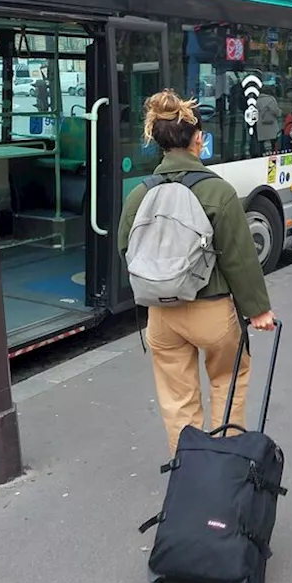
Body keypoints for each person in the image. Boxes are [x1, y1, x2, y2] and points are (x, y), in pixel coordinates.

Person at [118, 90, 277, 456]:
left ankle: (187, 466)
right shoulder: (218, 191)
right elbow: (240, 258)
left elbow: (126, 249)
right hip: (212, 311)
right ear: (197, 140)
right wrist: (259, 310)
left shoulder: (139, 194)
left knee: (177, 398)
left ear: (157, 142)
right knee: (228, 381)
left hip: (161, 316)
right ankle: (224, 467)